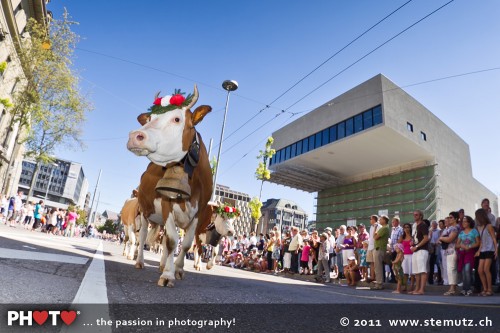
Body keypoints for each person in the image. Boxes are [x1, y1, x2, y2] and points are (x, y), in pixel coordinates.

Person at [475, 208, 498, 296]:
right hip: (483, 250)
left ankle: (489, 289)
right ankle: (484, 289)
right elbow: (481, 241)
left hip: (490, 250)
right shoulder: (479, 227)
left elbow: (493, 238)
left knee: (486, 269)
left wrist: (496, 250)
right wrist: (478, 250)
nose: (476, 218)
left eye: (477, 216)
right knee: (480, 270)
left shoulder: (489, 226)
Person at [457, 215, 480, 296]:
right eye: (462, 221)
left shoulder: (474, 231)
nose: (463, 223)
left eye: (465, 221)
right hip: (462, 254)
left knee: (467, 271)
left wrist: (470, 246)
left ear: (469, 222)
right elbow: (457, 245)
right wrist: (461, 246)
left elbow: (478, 243)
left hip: (470, 253)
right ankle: (464, 289)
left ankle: (469, 289)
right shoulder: (461, 233)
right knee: (463, 272)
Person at [410, 210, 429, 295]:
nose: (415, 216)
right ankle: (417, 288)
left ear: (421, 216)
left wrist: (417, 246)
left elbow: (426, 238)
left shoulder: (423, 225)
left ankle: (422, 289)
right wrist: (412, 242)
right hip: (415, 250)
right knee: (416, 271)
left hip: (422, 250)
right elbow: (414, 237)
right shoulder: (414, 226)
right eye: (414, 215)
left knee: (422, 270)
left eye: (416, 215)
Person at [440, 211, 460, 296]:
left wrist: (441, 238)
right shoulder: (452, 227)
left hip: (453, 250)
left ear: (456, 219)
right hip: (449, 250)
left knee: (451, 269)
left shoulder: (455, 228)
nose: (449, 219)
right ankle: (452, 288)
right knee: (450, 269)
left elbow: (449, 239)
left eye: (451, 217)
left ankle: (452, 288)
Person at [372, 215, 390, 290]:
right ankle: (379, 282)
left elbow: (375, 237)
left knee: (378, 267)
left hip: (379, 249)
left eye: (381, 219)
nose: (379, 220)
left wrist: (375, 229)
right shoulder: (383, 228)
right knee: (377, 267)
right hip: (379, 248)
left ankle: (379, 283)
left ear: (384, 220)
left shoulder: (384, 228)